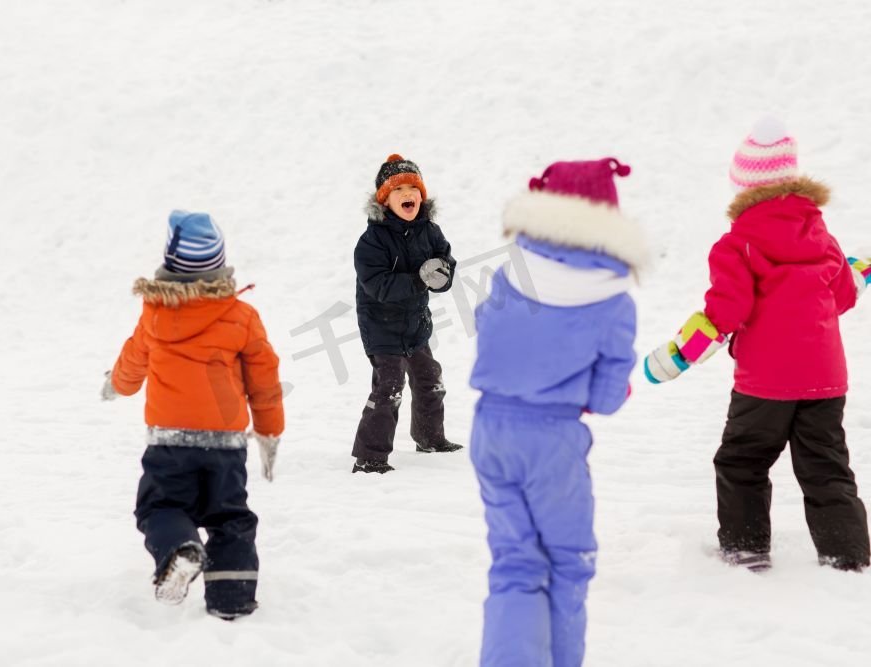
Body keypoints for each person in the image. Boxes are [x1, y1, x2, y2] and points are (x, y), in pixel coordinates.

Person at [644, 117, 871, 573]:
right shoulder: (821, 237)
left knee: (742, 461)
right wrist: (857, 271)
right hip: (826, 383)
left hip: (765, 384)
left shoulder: (737, 244)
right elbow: (843, 293)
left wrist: (681, 352)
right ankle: (848, 556)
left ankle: (746, 548)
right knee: (827, 468)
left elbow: (726, 312)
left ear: (743, 188)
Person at [470, 158, 648, 666]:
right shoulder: (613, 299)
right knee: (569, 564)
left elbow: (490, 332)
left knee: (515, 561)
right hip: (552, 441)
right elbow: (609, 397)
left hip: (490, 429)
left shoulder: (510, 275)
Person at [101, 210, 284, 618]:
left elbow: (132, 362)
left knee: (160, 507)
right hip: (226, 443)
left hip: (169, 442)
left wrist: (117, 384)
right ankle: (231, 598)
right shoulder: (242, 316)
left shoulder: (154, 313)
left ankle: (179, 550)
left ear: (169, 263)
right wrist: (269, 432)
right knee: (229, 516)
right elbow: (264, 379)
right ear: (220, 264)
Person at [351, 154, 462, 473]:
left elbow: (445, 262)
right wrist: (419, 279)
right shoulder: (371, 241)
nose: (408, 193)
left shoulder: (430, 231)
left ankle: (430, 437)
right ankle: (370, 456)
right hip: (381, 329)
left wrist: (442, 273)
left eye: (414, 187)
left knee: (430, 378)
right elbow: (379, 286)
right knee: (389, 387)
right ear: (385, 199)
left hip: (415, 326)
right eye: (398, 189)